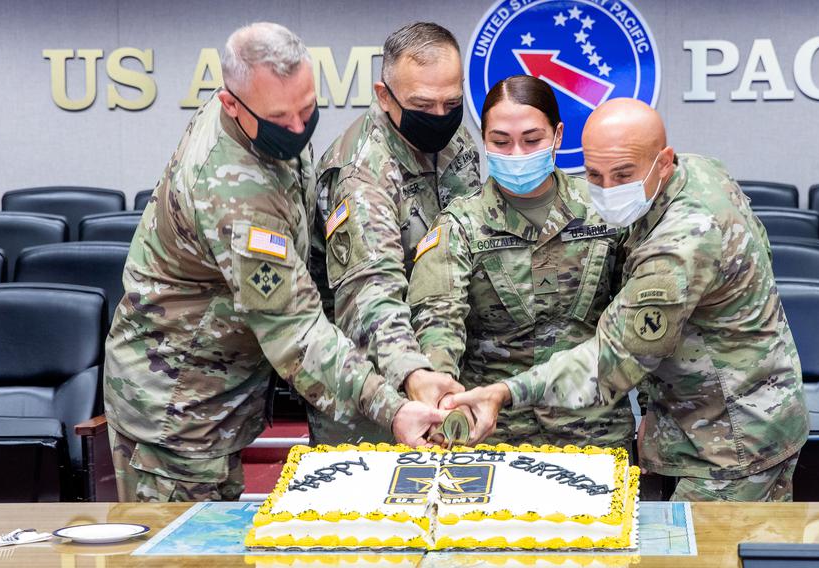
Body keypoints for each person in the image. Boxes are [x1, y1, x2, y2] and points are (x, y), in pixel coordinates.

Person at [103, 22, 444, 502]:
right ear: (230, 104)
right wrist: (391, 408)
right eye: (281, 118)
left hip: (219, 390)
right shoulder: (236, 194)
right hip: (176, 408)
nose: (299, 129)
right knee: (180, 554)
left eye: (307, 109)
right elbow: (296, 333)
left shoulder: (260, 121)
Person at [450, 98, 808, 502]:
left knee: (696, 560)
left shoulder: (680, 245)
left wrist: (505, 392)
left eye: (623, 174)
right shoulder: (702, 170)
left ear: (664, 162)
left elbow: (614, 358)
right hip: (727, 415)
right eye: (594, 175)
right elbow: (761, 247)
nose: (607, 189)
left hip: (730, 440)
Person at [407, 75, 634, 449]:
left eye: (532, 140)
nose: (516, 154)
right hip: (496, 434)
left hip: (595, 431)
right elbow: (437, 320)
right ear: (484, 140)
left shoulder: (603, 211)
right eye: (500, 141)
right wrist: (443, 395)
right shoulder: (461, 224)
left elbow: (638, 323)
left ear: (558, 137)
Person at [311, 22, 481, 443]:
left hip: (442, 371)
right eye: (424, 105)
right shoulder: (361, 170)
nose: (440, 118)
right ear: (384, 95)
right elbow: (371, 293)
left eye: (452, 102)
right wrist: (413, 373)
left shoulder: (455, 140)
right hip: (369, 388)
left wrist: (440, 367)